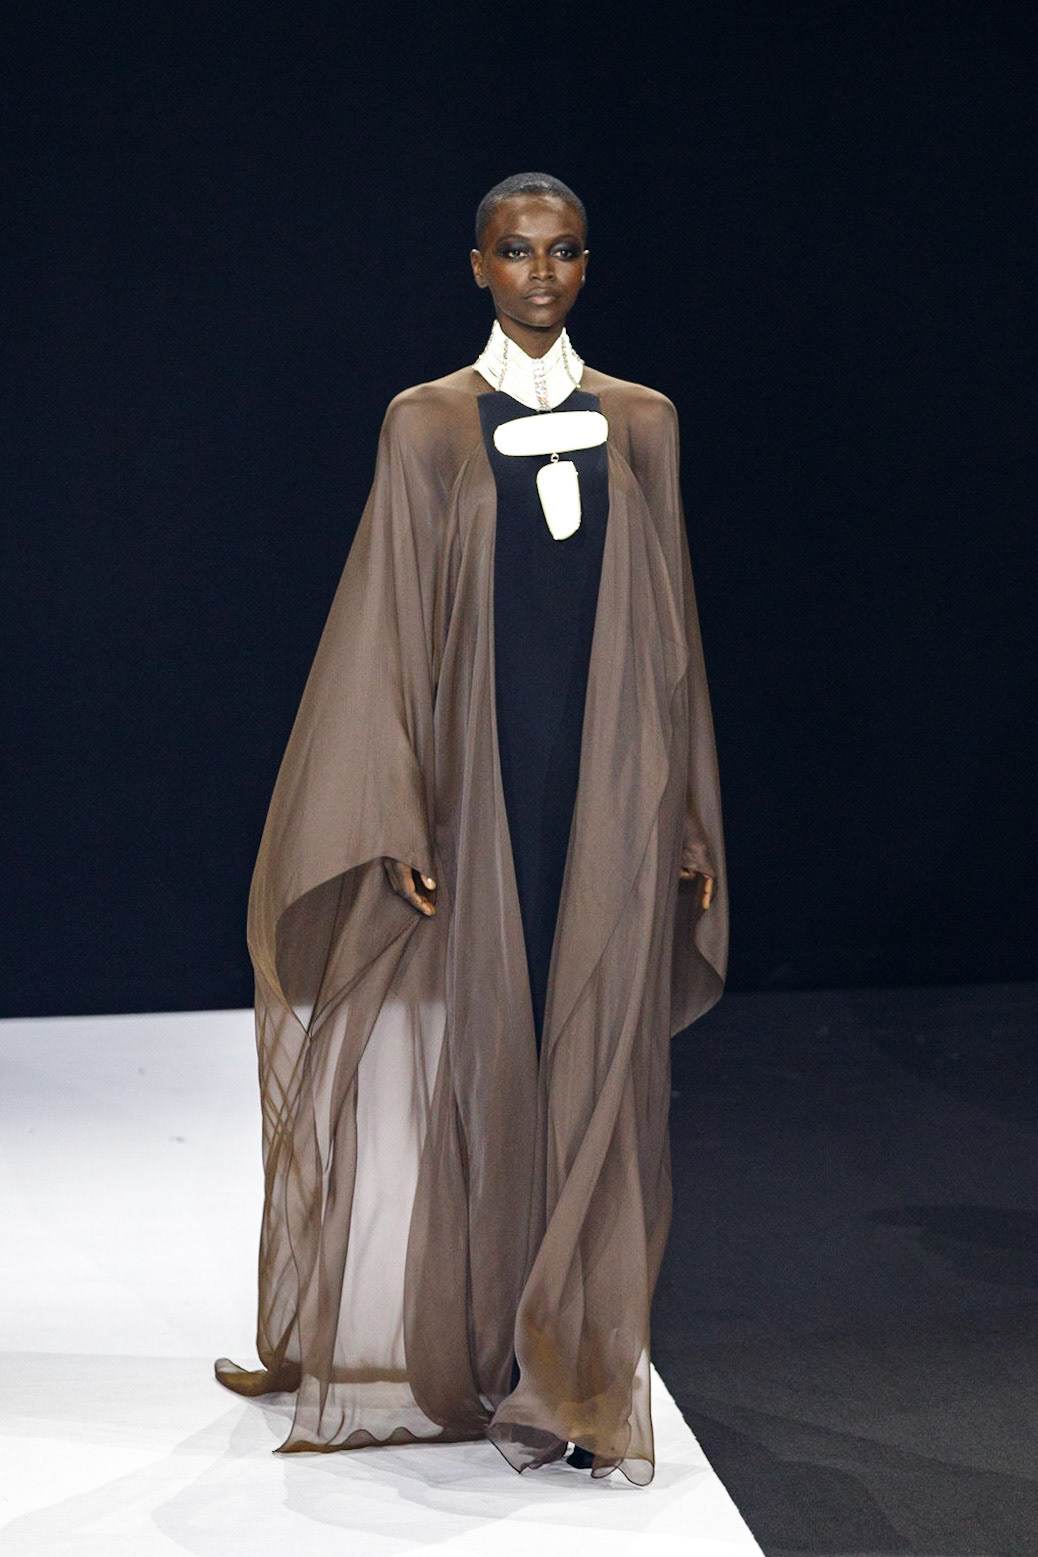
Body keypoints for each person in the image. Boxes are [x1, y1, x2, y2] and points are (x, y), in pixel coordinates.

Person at [215, 172, 727, 1485]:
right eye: (516, 250)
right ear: (479, 266)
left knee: (603, 1067)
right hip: (480, 794)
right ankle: (493, 1348)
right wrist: (396, 806)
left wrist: (684, 809)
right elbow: (386, 623)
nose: (540, 272)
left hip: (612, 788)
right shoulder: (427, 423)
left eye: (562, 251)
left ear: (586, 266)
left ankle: (576, 1377)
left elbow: (671, 628)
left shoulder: (645, 421)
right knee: (495, 1066)